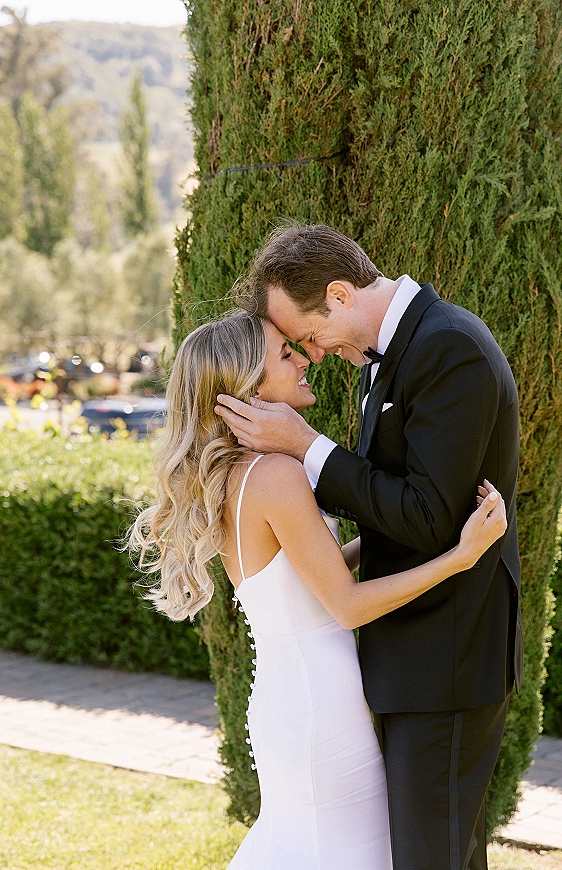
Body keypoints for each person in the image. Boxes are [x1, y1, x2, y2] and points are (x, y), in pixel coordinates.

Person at [128, 308, 508, 869]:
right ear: (249, 389)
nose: (304, 359)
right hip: (318, 703)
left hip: (296, 694)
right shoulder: (274, 476)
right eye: (286, 355)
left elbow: (317, 572)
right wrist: (460, 557)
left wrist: (420, 539)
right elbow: (347, 605)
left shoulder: (244, 472)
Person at [216, 224, 522, 870]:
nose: (314, 354)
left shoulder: (448, 349)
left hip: (448, 662)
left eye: (307, 335)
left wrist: (308, 447)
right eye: (295, 347)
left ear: (339, 294)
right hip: (410, 664)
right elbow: (391, 515)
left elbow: (428, 516)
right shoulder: (389, 356)